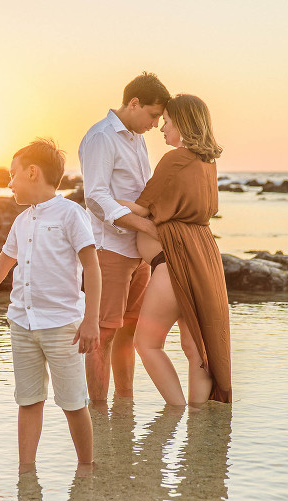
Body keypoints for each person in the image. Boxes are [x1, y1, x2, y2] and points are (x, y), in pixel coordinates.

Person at [0, 139, 102, 468]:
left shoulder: (71, 215)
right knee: (28, 400)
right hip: (22, 324)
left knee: (73, 402)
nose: (9, 182)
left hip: (63, 326)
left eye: (13, 174)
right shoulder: (21, 221)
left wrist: (91, 320)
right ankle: (26, 472)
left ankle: (86, 471)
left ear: (32, 172)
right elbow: (1, 266)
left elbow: (91, 266)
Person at [118, 94, 232, 404]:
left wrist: (103, 198)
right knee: (196, 348)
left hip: (173, 263)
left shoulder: (176, 158)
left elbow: (141, 210)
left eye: (167, 121)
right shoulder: (207, 162)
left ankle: (175, 410)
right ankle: (199, 423)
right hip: (203, 258)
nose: (162, 127)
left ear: (182, 123)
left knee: (147, 343)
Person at [79, 72, 171, 402]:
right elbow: (95, 196)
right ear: (134, 103)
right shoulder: (101, 137)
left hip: (138, 254)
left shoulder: (137, 138)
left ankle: (125, 408)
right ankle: (99, 417)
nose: (155, 124)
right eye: (152, 115)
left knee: (129, 332)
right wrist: (145, 226)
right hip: (109, 250)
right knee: (102, 335)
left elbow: (140, 191)